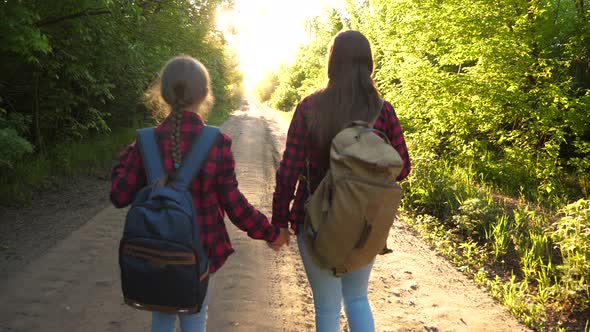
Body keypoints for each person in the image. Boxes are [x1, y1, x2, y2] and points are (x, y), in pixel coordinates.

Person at [110, 55, 290, 332]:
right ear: (206, 94)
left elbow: (119, 196)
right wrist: (271, 233)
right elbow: (235, 206)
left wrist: (130, 153)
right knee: (195, 317)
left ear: (164, 93)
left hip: (151, 249)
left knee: (162, 316)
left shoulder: (146, 141)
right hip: (199, 252)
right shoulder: (215, 143)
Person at [272, 30, 411, 332]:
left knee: (327, 306)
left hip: (315, 222)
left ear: (332, 62)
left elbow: (289, 170)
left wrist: (279, 222)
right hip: (364, 223)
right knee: (358, 298)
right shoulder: (382, 110)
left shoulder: (310, 107)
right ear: (368, 64)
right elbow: (403, 168)